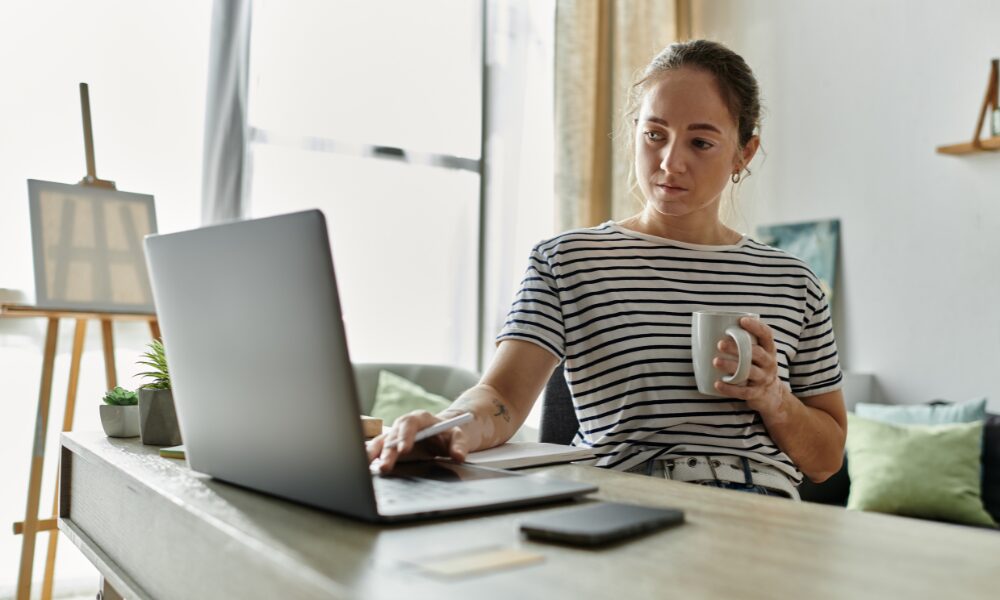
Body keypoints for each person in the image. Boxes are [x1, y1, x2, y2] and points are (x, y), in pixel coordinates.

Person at [367, 39, 846, 499]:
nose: (669, 162)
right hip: (626, 496)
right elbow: (501, 397)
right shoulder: (566, 260)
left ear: (744, 152)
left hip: (761, 510)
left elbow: (826, 461)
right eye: (654, 135)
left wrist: (774, 398)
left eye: (700, 143)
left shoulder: (794, 282)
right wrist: (447, 427)